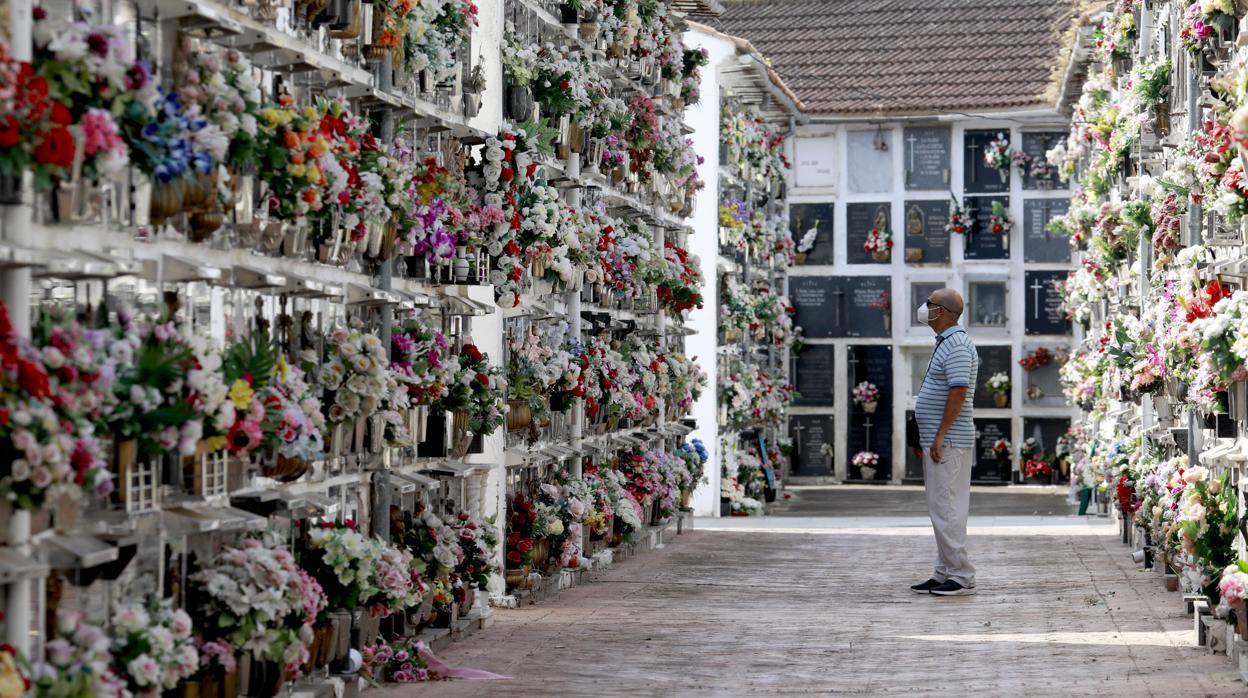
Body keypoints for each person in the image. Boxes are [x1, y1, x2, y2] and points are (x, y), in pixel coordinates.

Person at [909, 289, 979, 597]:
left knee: (947, 507)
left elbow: (958, 392)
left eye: (930, 304)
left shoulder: (958, 345)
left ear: (945, 312)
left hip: (948, 440)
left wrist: (939, 435)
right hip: (940, 439)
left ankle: (961, 574)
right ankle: (944, 571)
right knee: (941, 506)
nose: (925, 308)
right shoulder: (947, 343)